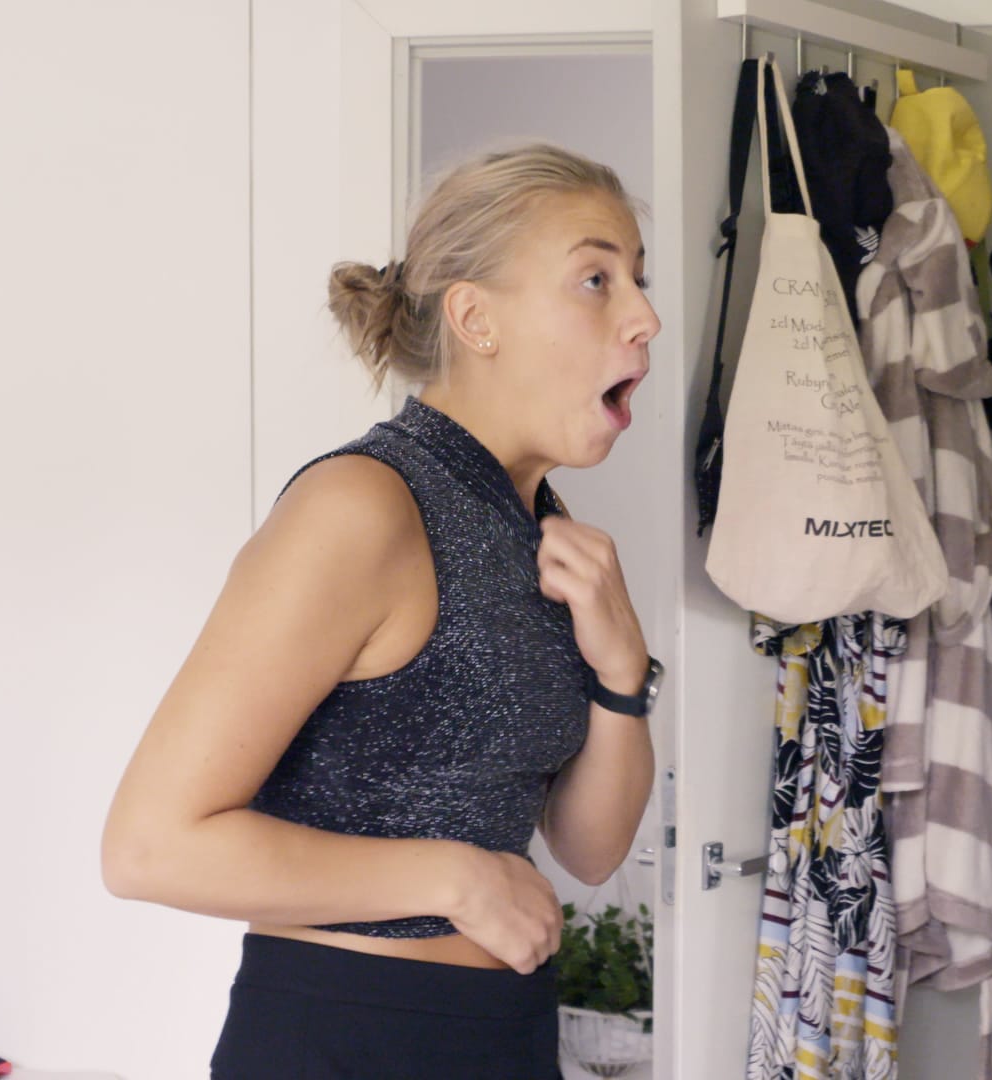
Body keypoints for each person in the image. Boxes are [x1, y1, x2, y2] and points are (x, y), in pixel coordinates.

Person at [101, 143, 663, 1079]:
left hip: (504, 1035)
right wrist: (453, 876)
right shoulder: (362, 505)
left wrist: (622, 674)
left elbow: (590, 849)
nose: (645, 317)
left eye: (640, 281)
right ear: (475, 318)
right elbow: (149, 847)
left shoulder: (541, 529)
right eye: (596, 279)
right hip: (344, 1039)